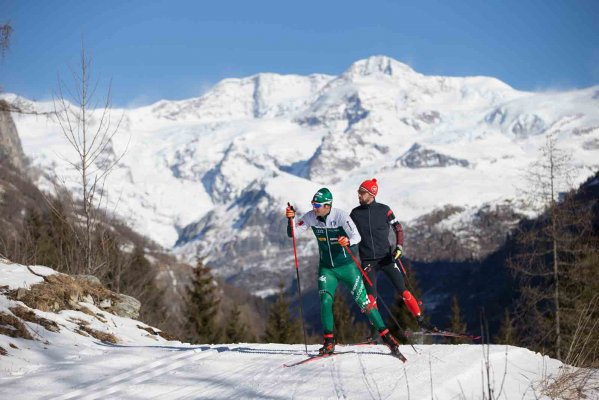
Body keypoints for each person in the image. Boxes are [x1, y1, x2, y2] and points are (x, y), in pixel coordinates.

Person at [286, 187, 404, 359]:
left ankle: (387, 337)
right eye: (313, 204)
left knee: (364, 303)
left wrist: (347, 241)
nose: (314, 208)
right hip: (327, 268)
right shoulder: (311, 217)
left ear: (328, 205)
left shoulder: (341, 216)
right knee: (325, 301)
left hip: (347, 267)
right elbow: (293, 233)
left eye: (317, 205)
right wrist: (290, 220)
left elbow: (357, 237)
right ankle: (328, 342)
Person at [349, 178, 434, 342]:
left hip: (386, 258)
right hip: (367, 261)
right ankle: (375, 333)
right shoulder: (355, 213)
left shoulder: (384, 210)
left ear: (371, 193)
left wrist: (399, 247)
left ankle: (422, 322)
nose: (358, 195)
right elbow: (346, 231)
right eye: (359, 192)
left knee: (404, 291)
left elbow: (398, 228)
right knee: (370, 299)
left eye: (362, 192)